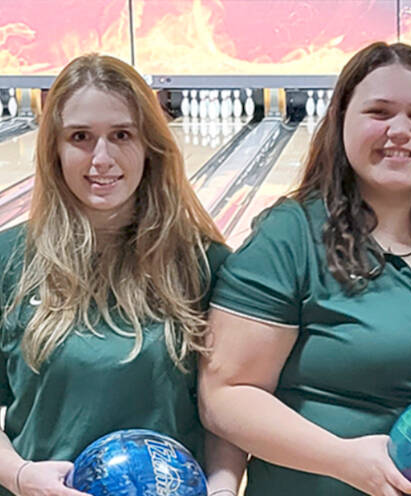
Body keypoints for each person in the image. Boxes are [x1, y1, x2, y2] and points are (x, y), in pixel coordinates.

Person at [197, 42, 411, 496]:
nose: (400, 130)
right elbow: (226, 395)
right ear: (340, 121)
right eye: (379, 112)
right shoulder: (290, 236)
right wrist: (344, 460)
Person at [0, 54, 244, 496]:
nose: (101, 158)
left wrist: (224, 488)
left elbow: (227, 408)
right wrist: (17, 475)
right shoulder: (8, 259)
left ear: (148, 145)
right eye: (80, 137)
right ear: (54, 148)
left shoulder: (205, 264)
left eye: (121, 135)